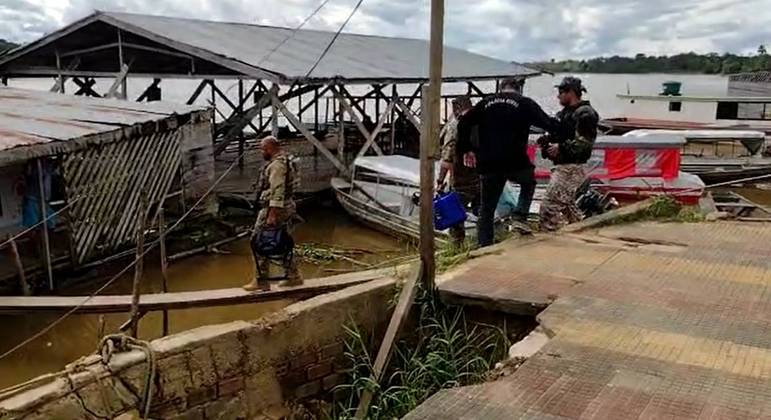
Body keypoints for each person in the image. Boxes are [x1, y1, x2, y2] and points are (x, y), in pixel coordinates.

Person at [457, 78, 558, 248]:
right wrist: (563, 131)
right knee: (529, 182)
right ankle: (519, 216)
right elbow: (547, 123)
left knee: (487, 208)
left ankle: (484, 246)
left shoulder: (485, 103)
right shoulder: (525, 103)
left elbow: (464, 123)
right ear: (518, 90)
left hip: (488, 163)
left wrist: (466, 148)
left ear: (501, 88)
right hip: (515, 161)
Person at [539, 76, 600, 231]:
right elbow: (562, 135)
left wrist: (561, 147)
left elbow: (584, 144)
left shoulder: (585, 114)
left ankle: (549, 239)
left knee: (548, 206)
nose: (558, 96)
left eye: (561, 92)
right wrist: (547, 141)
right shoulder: (565, 114)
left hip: (571, 167)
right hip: (563, 166)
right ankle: (583, 232)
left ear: (571, 92)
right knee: (569, 209)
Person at [243, 136, 302, 291]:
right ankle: (293, 276)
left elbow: (278, 190)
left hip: (274, 208)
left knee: (258, 241)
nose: (261, 152)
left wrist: (272, 214)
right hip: (287, 207)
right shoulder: (286, 160)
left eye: (263, 149)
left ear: (269, 148)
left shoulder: (277, 166)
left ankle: (261, 280)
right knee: (281, 242)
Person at [436, 96, 477, 248]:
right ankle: (485, 243)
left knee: (455, 219)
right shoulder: (483, 122)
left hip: (461, 179)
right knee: (485, 213)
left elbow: (447, 158)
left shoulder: (455, 125)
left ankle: (457, 248)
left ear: (457, 108)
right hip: (482, 177)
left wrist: (440, 182)